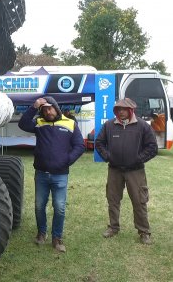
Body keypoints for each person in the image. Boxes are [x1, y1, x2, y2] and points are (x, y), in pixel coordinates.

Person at [18, 96, 85, 252]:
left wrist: (67, 160)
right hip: (41, 173)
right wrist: (34, 106)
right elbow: (23, 124)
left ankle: (57, 238)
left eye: (50, 108)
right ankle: (42, 233)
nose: (48, 111)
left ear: (56, 107)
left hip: (60, 175)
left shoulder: (70, 123)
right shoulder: (39, 123)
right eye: (45, 109)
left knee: (59, 207)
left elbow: (80, 146)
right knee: (39, 206)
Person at [95, 98, 158, 245]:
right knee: (113, 200)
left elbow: (152, 147)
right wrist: (108, 157)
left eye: (124, 109)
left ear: (131, 110)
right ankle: (113, 227)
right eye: (118, 109)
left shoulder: (142, 126)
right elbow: (99, 143)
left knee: (139, 201)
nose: (121, 112)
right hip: (114, 170)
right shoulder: (109, 125)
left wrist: (138, 159)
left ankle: (144, 231)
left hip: (135, 171)